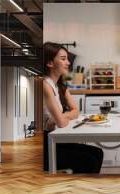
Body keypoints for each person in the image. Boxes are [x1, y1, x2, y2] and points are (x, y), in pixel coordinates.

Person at [43, 42, 103, 173]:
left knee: (98, 153)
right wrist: (61, 118)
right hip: (45, 145)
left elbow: (76, 111)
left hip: (55, 137)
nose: (68, 63)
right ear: (49, 63)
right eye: (63, 59)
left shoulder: (60, 85)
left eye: (67, 59)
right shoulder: (45, 85)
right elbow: (62, 123)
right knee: (90, 161)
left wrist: (59, 117)